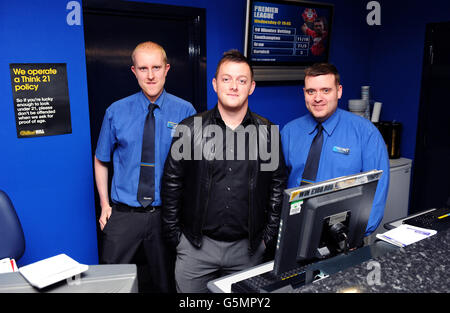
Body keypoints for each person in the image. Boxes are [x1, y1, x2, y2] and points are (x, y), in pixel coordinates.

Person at [161, 50, 287, 293]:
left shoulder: (268, 132)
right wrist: (176, 238)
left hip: (247, 251)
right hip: (195, 249)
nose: (233, 86)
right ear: (215, 84)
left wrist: (267, 237)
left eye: (242, 80)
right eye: (226, 79)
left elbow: (277, 186)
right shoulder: (189, 129)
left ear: (251, 87)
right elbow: (171, 184)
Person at [94, 41, 196, 292]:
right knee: (111, 283)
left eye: (156, 67)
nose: (150, 75)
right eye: (143, 68)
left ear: (167, 69)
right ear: (134, 71)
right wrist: (105, 204)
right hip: (123, 215)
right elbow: (100, 159)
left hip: (166, 216)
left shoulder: (186, 111)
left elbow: (195, 169)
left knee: (166, 283)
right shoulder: (115, 112)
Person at [281, 63, 389, 236]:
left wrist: (356, 234)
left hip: (342, 234)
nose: (318, 98)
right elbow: (278, 185)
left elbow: (377, 190)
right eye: (311, 91)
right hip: (293, 231)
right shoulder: (289, 132)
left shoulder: (365, 133)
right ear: (304, 94)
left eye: (325, 90)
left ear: (338, 91)